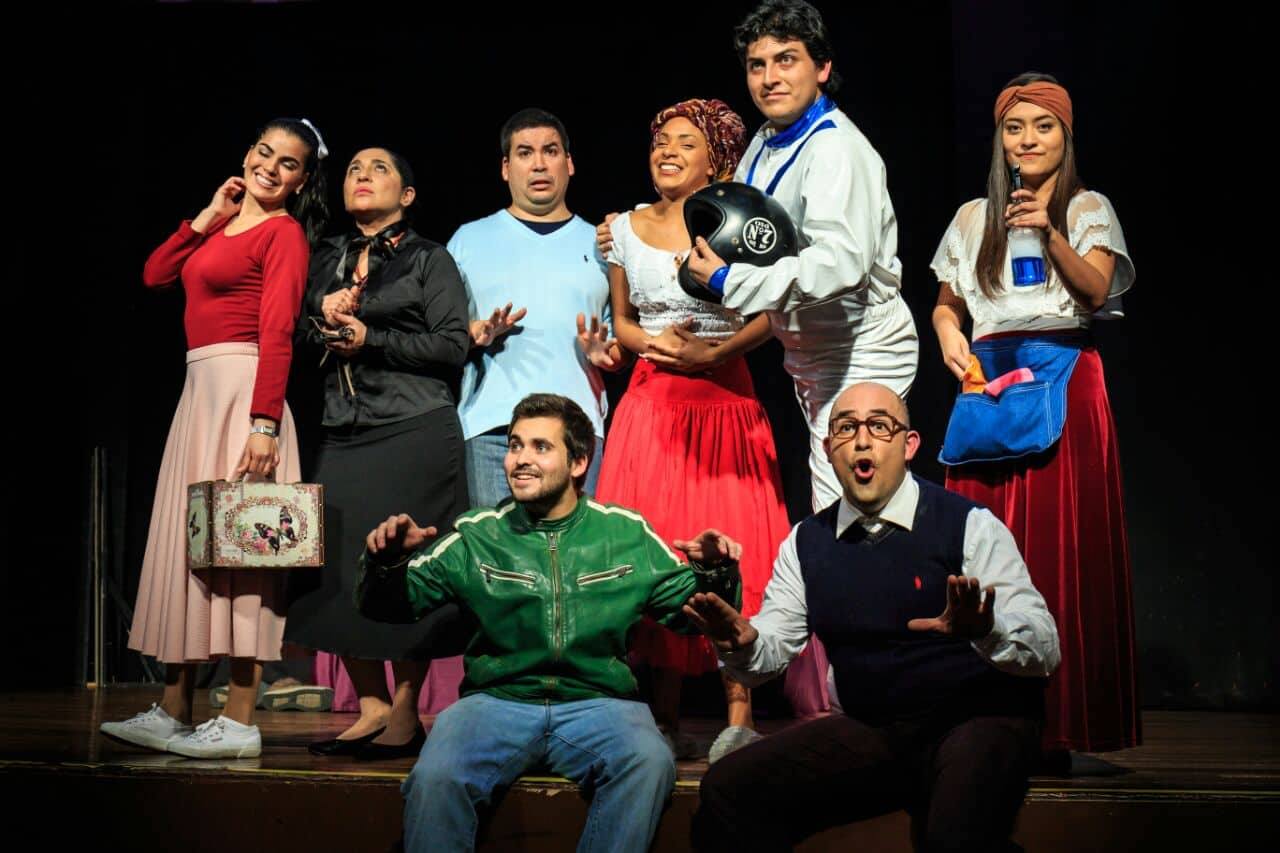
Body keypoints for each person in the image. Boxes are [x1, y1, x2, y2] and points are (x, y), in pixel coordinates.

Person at [357, 393, 742, 853]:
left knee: (649, 762)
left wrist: (714, 572)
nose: (520, 459)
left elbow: (691, 614)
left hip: (600, 704)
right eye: (515, 445)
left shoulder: (624, 533)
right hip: (495, 703)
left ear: (579, 463)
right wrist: (386, 565)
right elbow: (393, 606)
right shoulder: (478, 533)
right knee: (435, 776)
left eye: (540, 447)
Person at [687, 381, 1060, 852]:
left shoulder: (967, 524)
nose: (862, 441)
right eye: (847, 429)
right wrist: (743, 643)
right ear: (829, 449)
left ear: (909, 445)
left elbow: (1046, 648)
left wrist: (987, 630)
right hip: (876, 728)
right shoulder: (807, 542)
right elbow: (772, 646)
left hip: (977, 720)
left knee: (954, 837)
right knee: (727, 790)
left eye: (879, 426)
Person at [599, 0, 918, 513]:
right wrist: (631, 228)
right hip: (812, 355)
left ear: (822, 67)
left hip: (862, 348)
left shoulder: (836, 149)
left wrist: (728, 281)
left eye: (786, 60)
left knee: (855, 503)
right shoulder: (768, 141)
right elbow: (735, 223)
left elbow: (840, 264)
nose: (770, 78)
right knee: (837, 503)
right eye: (757, 65)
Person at [101, 117, 329, 759]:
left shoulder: (283, 233)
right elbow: (154, 275)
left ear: (301, 180)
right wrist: (205, 217)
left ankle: (239, 719)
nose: (270, 168)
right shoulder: (221, 225)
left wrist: (264, 422)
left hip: (244, 393)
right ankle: (174, 709)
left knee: (245, 556)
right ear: (248, 153)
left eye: (288, 163)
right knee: (193, 553)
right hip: (199, 395)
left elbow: (278, 330)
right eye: (264, 152)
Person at [930, 72, 1139, 759]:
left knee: (1058, 542)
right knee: (984, 542)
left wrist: (1047, 233)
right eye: (1014, 128)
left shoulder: (1086, 208)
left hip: (1062, 373)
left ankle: (1061, 722)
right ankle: (978, 718)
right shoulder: (972, 217)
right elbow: (947, 303)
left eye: (1043, 126)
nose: (1028, 139)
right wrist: (949, 333)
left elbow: (1096, 289)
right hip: (990, 377)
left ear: (1065, 135)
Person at [587, 98, 795, 761]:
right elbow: (622, 321)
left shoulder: (743, 220)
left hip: (725, 402)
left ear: (716, 159)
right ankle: (664, 715)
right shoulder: (622, 228)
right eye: (661, 142)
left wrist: (715, 352)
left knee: (735, 551)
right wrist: (652, 345)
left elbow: (773, 311)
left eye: (684, 142)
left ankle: (740, 716)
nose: (667, 151)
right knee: (658, 551)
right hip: (652, 409)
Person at [284, 147, 472, 759]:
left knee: (407, 568)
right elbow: (295, 334)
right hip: (342, 429)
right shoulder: (325, 257)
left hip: (413, 428)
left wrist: (372, 338)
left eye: (379, 169)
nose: (363, 176)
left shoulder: (428, 258)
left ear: (407, 196)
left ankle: (405, 712)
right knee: (335, 571)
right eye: (354, 170)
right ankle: (370, 706)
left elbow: (450, 346)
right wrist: (322, 318)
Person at [449, 109, 615, 508]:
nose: (539, 164)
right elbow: (440, 335)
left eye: (550, 151)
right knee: (497, 546)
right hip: (494, 428)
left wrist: (607, 354)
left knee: (576, 546)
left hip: (577, 429)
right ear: (506, 168)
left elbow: (619, 341)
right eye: (525, 153)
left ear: (569, 163)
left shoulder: (603, 244)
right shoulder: (468, 240)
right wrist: (473, 333)